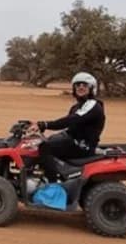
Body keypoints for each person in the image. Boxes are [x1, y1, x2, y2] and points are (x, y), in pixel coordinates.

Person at [30, 72, 105, 207]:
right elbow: (71, 126)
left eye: (84, 85)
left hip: (82, 146)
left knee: (44, 147)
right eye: (77, 85)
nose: (80, 87)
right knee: (44, 141)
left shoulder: (93, 105)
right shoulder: (77, 106)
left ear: (92, 88)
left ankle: (54, 187)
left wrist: (44, 124)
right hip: (73, 141)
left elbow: (72, 120)